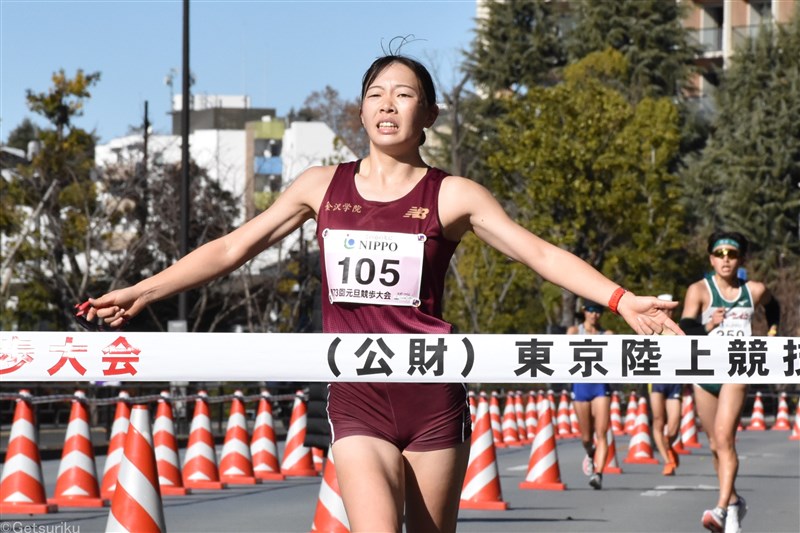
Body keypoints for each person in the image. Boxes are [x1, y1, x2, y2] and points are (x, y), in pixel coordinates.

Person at [85, 53, 680, 532]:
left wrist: (621, 300)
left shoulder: (454, 195)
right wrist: (144, 290)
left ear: (429, 114)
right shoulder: (321, 186)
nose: (387, 104)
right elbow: (231, 248)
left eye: (403, 94)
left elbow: (540, 254)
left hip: (431, 396)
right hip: (357, 395)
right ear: (361, 111)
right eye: (376, 94)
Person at [680, 231, 780, 533]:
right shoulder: (699, 290)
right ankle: (734, 502)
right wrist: (709, 324)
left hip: (738, 369)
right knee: (714, 444)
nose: (726, 260)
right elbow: (685, 329)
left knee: (725, 439)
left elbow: (773, 307)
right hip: (704, 372)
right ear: (711, 259)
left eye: (732, 255)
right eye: (720, 254)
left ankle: (721, 510)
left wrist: (773, 331)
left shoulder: (755, 289)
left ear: (741, 259)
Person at [567, 299, 614, 490]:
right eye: (591, 311)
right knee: (586, 437)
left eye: (598, 311)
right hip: (580, 386)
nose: (595, 315)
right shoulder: (573, 332)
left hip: (600, 386)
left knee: (601, 432)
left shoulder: (607, 334)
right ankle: (590, 453)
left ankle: (598, 474)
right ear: (584, 311)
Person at [647, 294, 682, 476]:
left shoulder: (679, 329)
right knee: (659, 420)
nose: (667, 311)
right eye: (663, 308)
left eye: (670, 308)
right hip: (657, 379)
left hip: (675, 381)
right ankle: (667, 459)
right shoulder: (650, 327)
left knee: (675, 423)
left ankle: (669, 446)